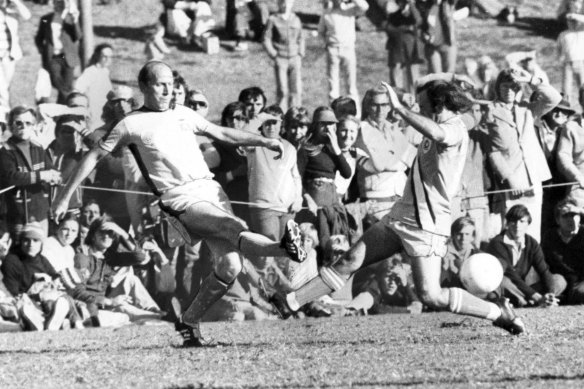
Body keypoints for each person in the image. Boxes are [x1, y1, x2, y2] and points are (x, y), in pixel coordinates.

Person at [52, 61, 307, 347]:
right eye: (160, 84)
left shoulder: (183, 113)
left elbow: (222, 133)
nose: (167, 89)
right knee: (230, 227)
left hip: (211, 189)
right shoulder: (131, 123)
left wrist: (262, 141)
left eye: (170, 83)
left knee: (230, 265)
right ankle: (284, 248)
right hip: (179, 198)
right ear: (145, 87)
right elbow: (92, 157)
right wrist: (63, 197)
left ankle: (188, 321)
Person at [273, 80, 528, 336]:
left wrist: (399, 107)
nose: (417, 106)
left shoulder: (452, 129)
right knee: (350, 259)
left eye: (422, 102)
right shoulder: (440, 125)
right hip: (401, 214)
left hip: (426, 223)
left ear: (437, 104)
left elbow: (441, 134)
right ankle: (291, 301)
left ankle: (498, 313)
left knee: (431, 295)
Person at [487, 67, 562, 242]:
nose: (510, 91)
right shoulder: (490, 112)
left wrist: (530, 80)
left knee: (533, 228)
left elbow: (554, 98)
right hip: (512, 180)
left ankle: (532, 268)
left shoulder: (527, 109)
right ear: (498, 88)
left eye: (514, 87)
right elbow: (493, 151)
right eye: (505, 86)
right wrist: (509, 177)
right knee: (513, 229)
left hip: (533, 176)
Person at [354, 85, 416, 220]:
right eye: (375, 105)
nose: (380, 110)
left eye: (384, 105)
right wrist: (398, 160)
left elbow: (413, 160)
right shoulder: (362, 131)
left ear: (389, 107)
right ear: (367, 106)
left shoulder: (393, 129)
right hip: (376, 202)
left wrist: (390, 156)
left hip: (401, 198)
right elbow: (379, 165)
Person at [486, 204, 567, 308]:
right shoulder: (497, 243)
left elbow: (543, 270)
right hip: (510, 285)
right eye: (513, 221)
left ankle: (541, 300)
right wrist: (536, 296)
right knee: (503, 282)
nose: (517, 225)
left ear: (528, 223)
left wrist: (550, 293)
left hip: (523, 288)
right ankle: (529, 302)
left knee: (559, 279)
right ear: (507, 223)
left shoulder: (531, 243)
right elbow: (511, 274)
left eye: (522, 221)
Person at [0, 106, 60, 236]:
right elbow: (11, 177)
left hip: (40, 213)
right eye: (18, 123)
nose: (23, 126)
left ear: (34, 125)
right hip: (18, 214)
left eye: (28, 123)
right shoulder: (5, 151)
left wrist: (55, 176)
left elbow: (51, 170)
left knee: (40, 249)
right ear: (10, 125)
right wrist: (41, 176)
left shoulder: (38, 147)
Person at [319, 0, 368, 108]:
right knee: (333, 86)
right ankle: (333, 114)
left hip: (348, 49)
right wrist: (326, 44)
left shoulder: (350, 9)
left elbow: (364, 6)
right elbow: (321, 31)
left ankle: (356, 115)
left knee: (351, 85)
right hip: (333, 50)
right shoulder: (327, 12)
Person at [34, 0, 82, 104]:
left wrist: (75, 20)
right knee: (57, 81)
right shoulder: (46, 19)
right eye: (57, 2)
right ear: (53, 4)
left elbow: (78, 36)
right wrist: (42, 50)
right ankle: (69, 101)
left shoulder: (70, 18)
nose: (59, 5)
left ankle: (61, 111)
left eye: (61, 3)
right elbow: (38, 37)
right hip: (54, 57)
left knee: (67, 84)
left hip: (67, 57)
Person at [263, 0, 304, 111]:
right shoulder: (273, 19)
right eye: (283, 3)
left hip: (294, 58)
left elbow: (301, 38)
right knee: (282, 90)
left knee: (296, 90)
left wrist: (300, 54)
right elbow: (266, 38)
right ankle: (281, 116)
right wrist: (274, 54)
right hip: (281, 59)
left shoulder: (296, 19)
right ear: (279, 4)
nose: (286, 5)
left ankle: (296, 115)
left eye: (289, 3)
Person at [541, 197, 584, 304]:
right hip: (561, 278)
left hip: (581, 279)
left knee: (580, 292)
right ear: (557, 220)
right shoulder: (550, 236)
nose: (571, 219)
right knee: (554, 283)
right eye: (566, 216)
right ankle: (549, 300)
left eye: (574, 215)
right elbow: (542, 262)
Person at [385, 0, 423, 93]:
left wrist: (411, 5)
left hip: (412, 49)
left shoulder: (416, 12)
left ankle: (414, 102)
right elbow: (389, 29)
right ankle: (398, 101)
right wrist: (406, 28)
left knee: (414, 80)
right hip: (396, 49)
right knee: (396, 79)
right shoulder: (393, 15)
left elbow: (418, 20)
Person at [74, 44, 114, 130]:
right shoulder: (90, 71)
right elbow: (77, 90)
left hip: (104, 112)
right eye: (104, 56)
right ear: (97, 56)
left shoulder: (105, 71)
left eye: (110, 57)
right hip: (93, 114)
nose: (108, 60)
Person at [0, 0, 30, 111]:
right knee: (2, 89)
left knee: (5, 88)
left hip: (9, 56)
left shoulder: (11, 12)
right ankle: (6, 115)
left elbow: (27, 15)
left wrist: (16, 1)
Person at [557, 84, 584, 203]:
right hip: (579, 187)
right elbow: (563, 156)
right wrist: (577, 177)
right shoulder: (571, 127)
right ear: (580, 100)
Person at [440, 216, 481, 290]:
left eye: (467, 234)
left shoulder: (476, 254)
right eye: (459, 234)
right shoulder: (441, 251)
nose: (463, 238)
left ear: (472, 237)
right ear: (453, 235)